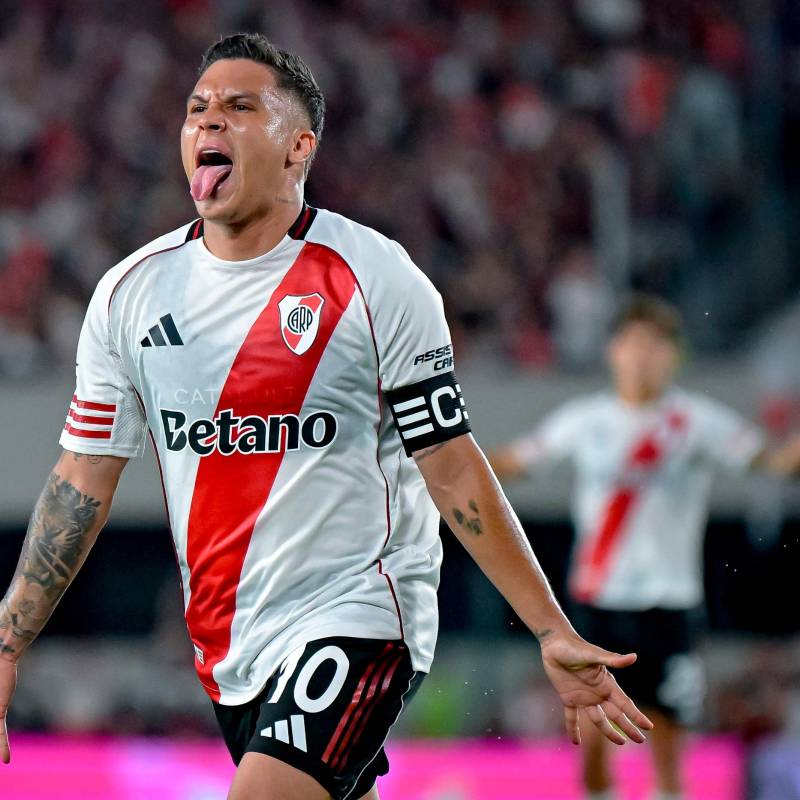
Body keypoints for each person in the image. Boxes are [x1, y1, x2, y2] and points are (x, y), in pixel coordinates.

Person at [0, 33, 652, 800]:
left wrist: (549, 628)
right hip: (230, 647)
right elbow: (82, 479)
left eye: (240, 107)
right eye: (197, 109)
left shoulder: (375, 278)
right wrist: (9, 643)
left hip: (364, 614)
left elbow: (449, 462)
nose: (209, 122)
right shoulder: (128, 294)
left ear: (297, 146)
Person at [491, 294, 800, 800]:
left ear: (674, 355)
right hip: (597, 607)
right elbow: (514, 463)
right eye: (633, 343)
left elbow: (774, 463)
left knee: (669, 752)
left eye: (656, 345)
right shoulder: (585, 420)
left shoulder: (697, 421)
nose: (642, 356)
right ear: (613, 351)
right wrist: (437, 459)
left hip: (671, 609)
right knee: (592, 750)